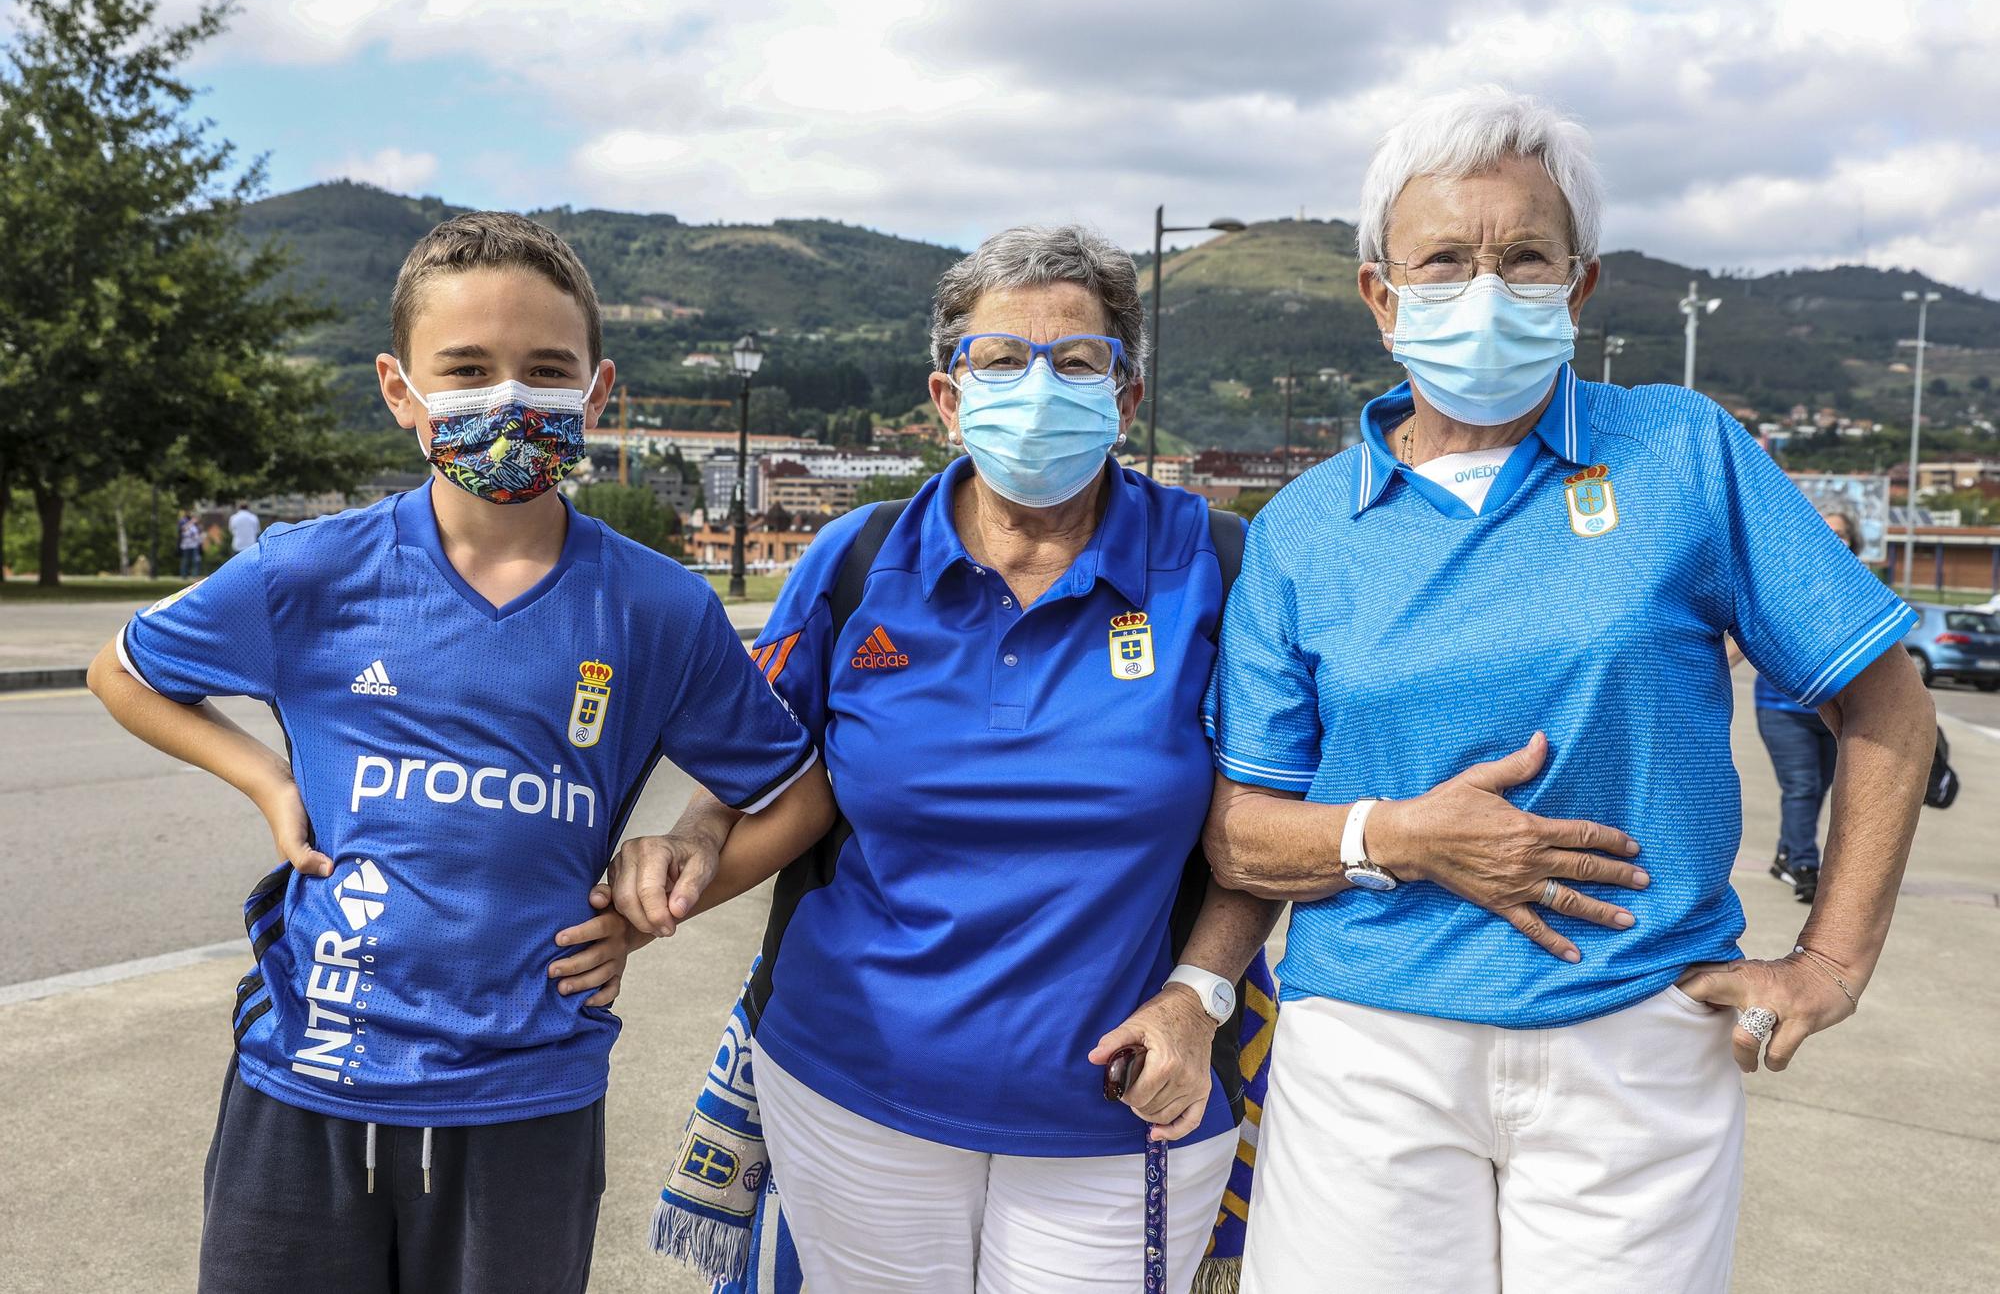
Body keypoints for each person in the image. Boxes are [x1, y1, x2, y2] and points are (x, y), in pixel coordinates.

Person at [609, 225, 1653, 1294]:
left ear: (1125, 395)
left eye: (1075, 362)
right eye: (999, 360)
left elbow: (1265, 822)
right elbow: (770, 763)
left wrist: (1198, 995)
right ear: (944, 396)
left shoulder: (1216, 565)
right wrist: (689, 835)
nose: (1036, 387)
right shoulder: (859, 559)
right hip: (852, 1083)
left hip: (1125, 1096)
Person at [1203, 86, 1936, 1294]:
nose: (1481, 290)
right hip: (1369, 1052)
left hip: (1632, 1041)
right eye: (1440, 261)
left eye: (1521, 257)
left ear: (1577, 286)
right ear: (1379, 298)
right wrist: (1402, 837)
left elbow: (1885, 705)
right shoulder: (1300, 533)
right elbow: (1240, 834)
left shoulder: (1680, 451)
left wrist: (1831, 961)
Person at [86, 211, 831, 1294]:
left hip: (526, 1092)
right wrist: (267, 779)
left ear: (597, 391)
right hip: (309, 1078)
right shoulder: (310, 574)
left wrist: (658, 899)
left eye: (544, 370)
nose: (509, 399)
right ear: (401, 390)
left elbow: (796, 796)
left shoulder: (656, 608)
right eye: (468, 369)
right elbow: (124, 672)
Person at [1748, 501, 1865, 904]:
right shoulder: (1789, 582)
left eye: (1841, 533)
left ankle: (1785, 853)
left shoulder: (1861, 587)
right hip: (1782, 709)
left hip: (1834, 712)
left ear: (1853, 543)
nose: (1833, 538)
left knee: (1816, 790)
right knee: (1802, 785)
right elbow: (1751, 633)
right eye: (1825, 530)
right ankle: (1804, 866)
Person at [177, 509, 203, 578]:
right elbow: (182, 529)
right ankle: (184, 576)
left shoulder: (196, 523)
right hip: (186, 545)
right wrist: (191, 522)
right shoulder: (183, 521)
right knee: (185, 561)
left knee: (196, 560)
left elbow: (199, 532)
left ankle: (195, 575)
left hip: (194, 544)